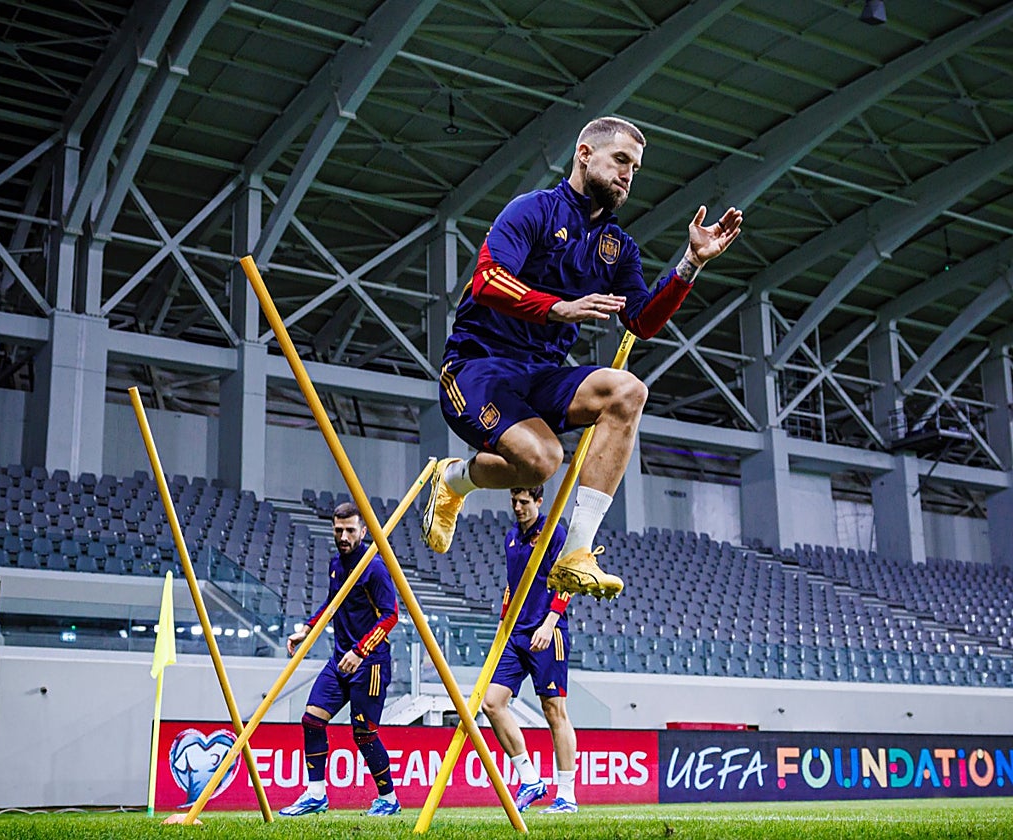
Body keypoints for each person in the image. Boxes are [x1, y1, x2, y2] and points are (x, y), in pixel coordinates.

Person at [423, 116, 743, 598]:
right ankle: (452, 481)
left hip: (542, 376)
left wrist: (690, 264)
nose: (628, 175)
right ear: (585, 154)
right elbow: (487, 280)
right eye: (620, 161)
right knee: (543, 460)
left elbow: (642, 321)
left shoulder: (618, 249)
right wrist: (558, 308)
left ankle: (576, 552)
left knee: (628, 391)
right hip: (478, 369)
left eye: (634, 168)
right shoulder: (530, 210)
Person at [280, 501, 402, 818]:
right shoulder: (336, 564)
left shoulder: (374, 567)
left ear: (363, 530)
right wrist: (307, 629)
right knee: (312, 720)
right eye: (339, 530)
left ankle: (388, 799)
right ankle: (316, 794)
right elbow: (333, 603)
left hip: (370, 662)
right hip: (339, 660)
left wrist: (361, 650)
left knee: (363, 733)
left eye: (350, 530)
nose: (344, 536)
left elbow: (391, 616)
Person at [481, 486, 578, 814]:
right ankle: (530, 778)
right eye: (514, 501)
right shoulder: (511, 537)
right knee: (491, 704)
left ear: (538, 501)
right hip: (514, 632)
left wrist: (550, 622)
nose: (518, 507)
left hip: (548, 631)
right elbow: (512, 584)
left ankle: (566, 795)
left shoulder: (554, 532)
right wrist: (501, 624)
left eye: (524, 502)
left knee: (554, 711)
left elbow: (567, 579)